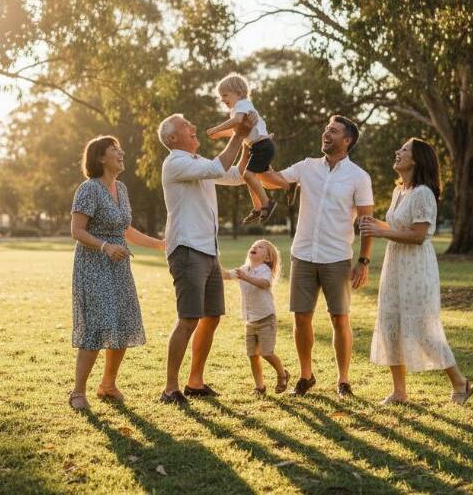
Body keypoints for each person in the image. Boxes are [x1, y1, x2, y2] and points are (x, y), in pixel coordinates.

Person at [262, 115, 374, 397]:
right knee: (302, 318)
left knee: (340, 318)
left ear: (347, 140)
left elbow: (366, 222)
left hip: (336, 257)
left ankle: (344, 380)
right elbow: (272, 179)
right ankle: (306, 376)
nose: (327, 134)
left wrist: (363, 261)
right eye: (326, 129)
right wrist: (260, 150)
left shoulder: (359, 177)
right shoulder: (307, 166)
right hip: (303, 255)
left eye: (334, 131)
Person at [360, 138, 473, 405]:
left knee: (422, 328)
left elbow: (418, 235)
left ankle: (460, 383)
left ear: (416, 159)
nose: (397, 152)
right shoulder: (400, 191)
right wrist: (372, 222)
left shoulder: (423, 193)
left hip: (416, 267)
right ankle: (399, 392)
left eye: (404, 150)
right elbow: (397, 225)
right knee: (392, 323)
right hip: (395, 266)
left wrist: (380, 231)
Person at [158, 112, 255, 405]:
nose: (194, 126)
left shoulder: (199, 163)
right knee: (188, 319)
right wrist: (237, 134)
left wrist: (251, 143)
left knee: (211, 317)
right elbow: (220, 165)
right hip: (187, 249)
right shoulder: (175, 162)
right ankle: (170, 388)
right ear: (174, 137)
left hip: (209, 251)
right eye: (187, 125)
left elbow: (236, 175)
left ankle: (195, 382)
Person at [68, 136, 165, 410]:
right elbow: (76, 231)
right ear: (101, 158)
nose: (121, 153)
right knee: (97, 325)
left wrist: (159, 243)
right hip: (93, 266)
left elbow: (125, 230)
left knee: (121, 321)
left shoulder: (120, 188)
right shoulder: (88, 190)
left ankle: (108, 385)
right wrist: (105, 246)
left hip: (119, 266)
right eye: (115, 150)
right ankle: (77, 392)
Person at [206, 73, 278, 224]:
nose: (222, 99)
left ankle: (266, 203)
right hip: (256, 144)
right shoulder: (239, 108)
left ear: (238, 93)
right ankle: (258, 207)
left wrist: (216, 129)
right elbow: (236, 131)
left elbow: (237, 122)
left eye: (225, 95)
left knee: (250, 175)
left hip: (260, 145)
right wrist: (219, 134)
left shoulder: (242, 105)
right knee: (249, 176)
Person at [222, 239, 290, 395]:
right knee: (252, 355)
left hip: (266, 319)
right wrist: (212, 258)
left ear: (267, 258)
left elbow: (264, 284)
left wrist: (245, 277)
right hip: (250, 321)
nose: (255, 247)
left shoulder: (264, 270)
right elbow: (225, 275)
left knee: (266, 353)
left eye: (260, 247)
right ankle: (260, 387)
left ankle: (282, 374)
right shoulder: (243, 269)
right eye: (254, 245)